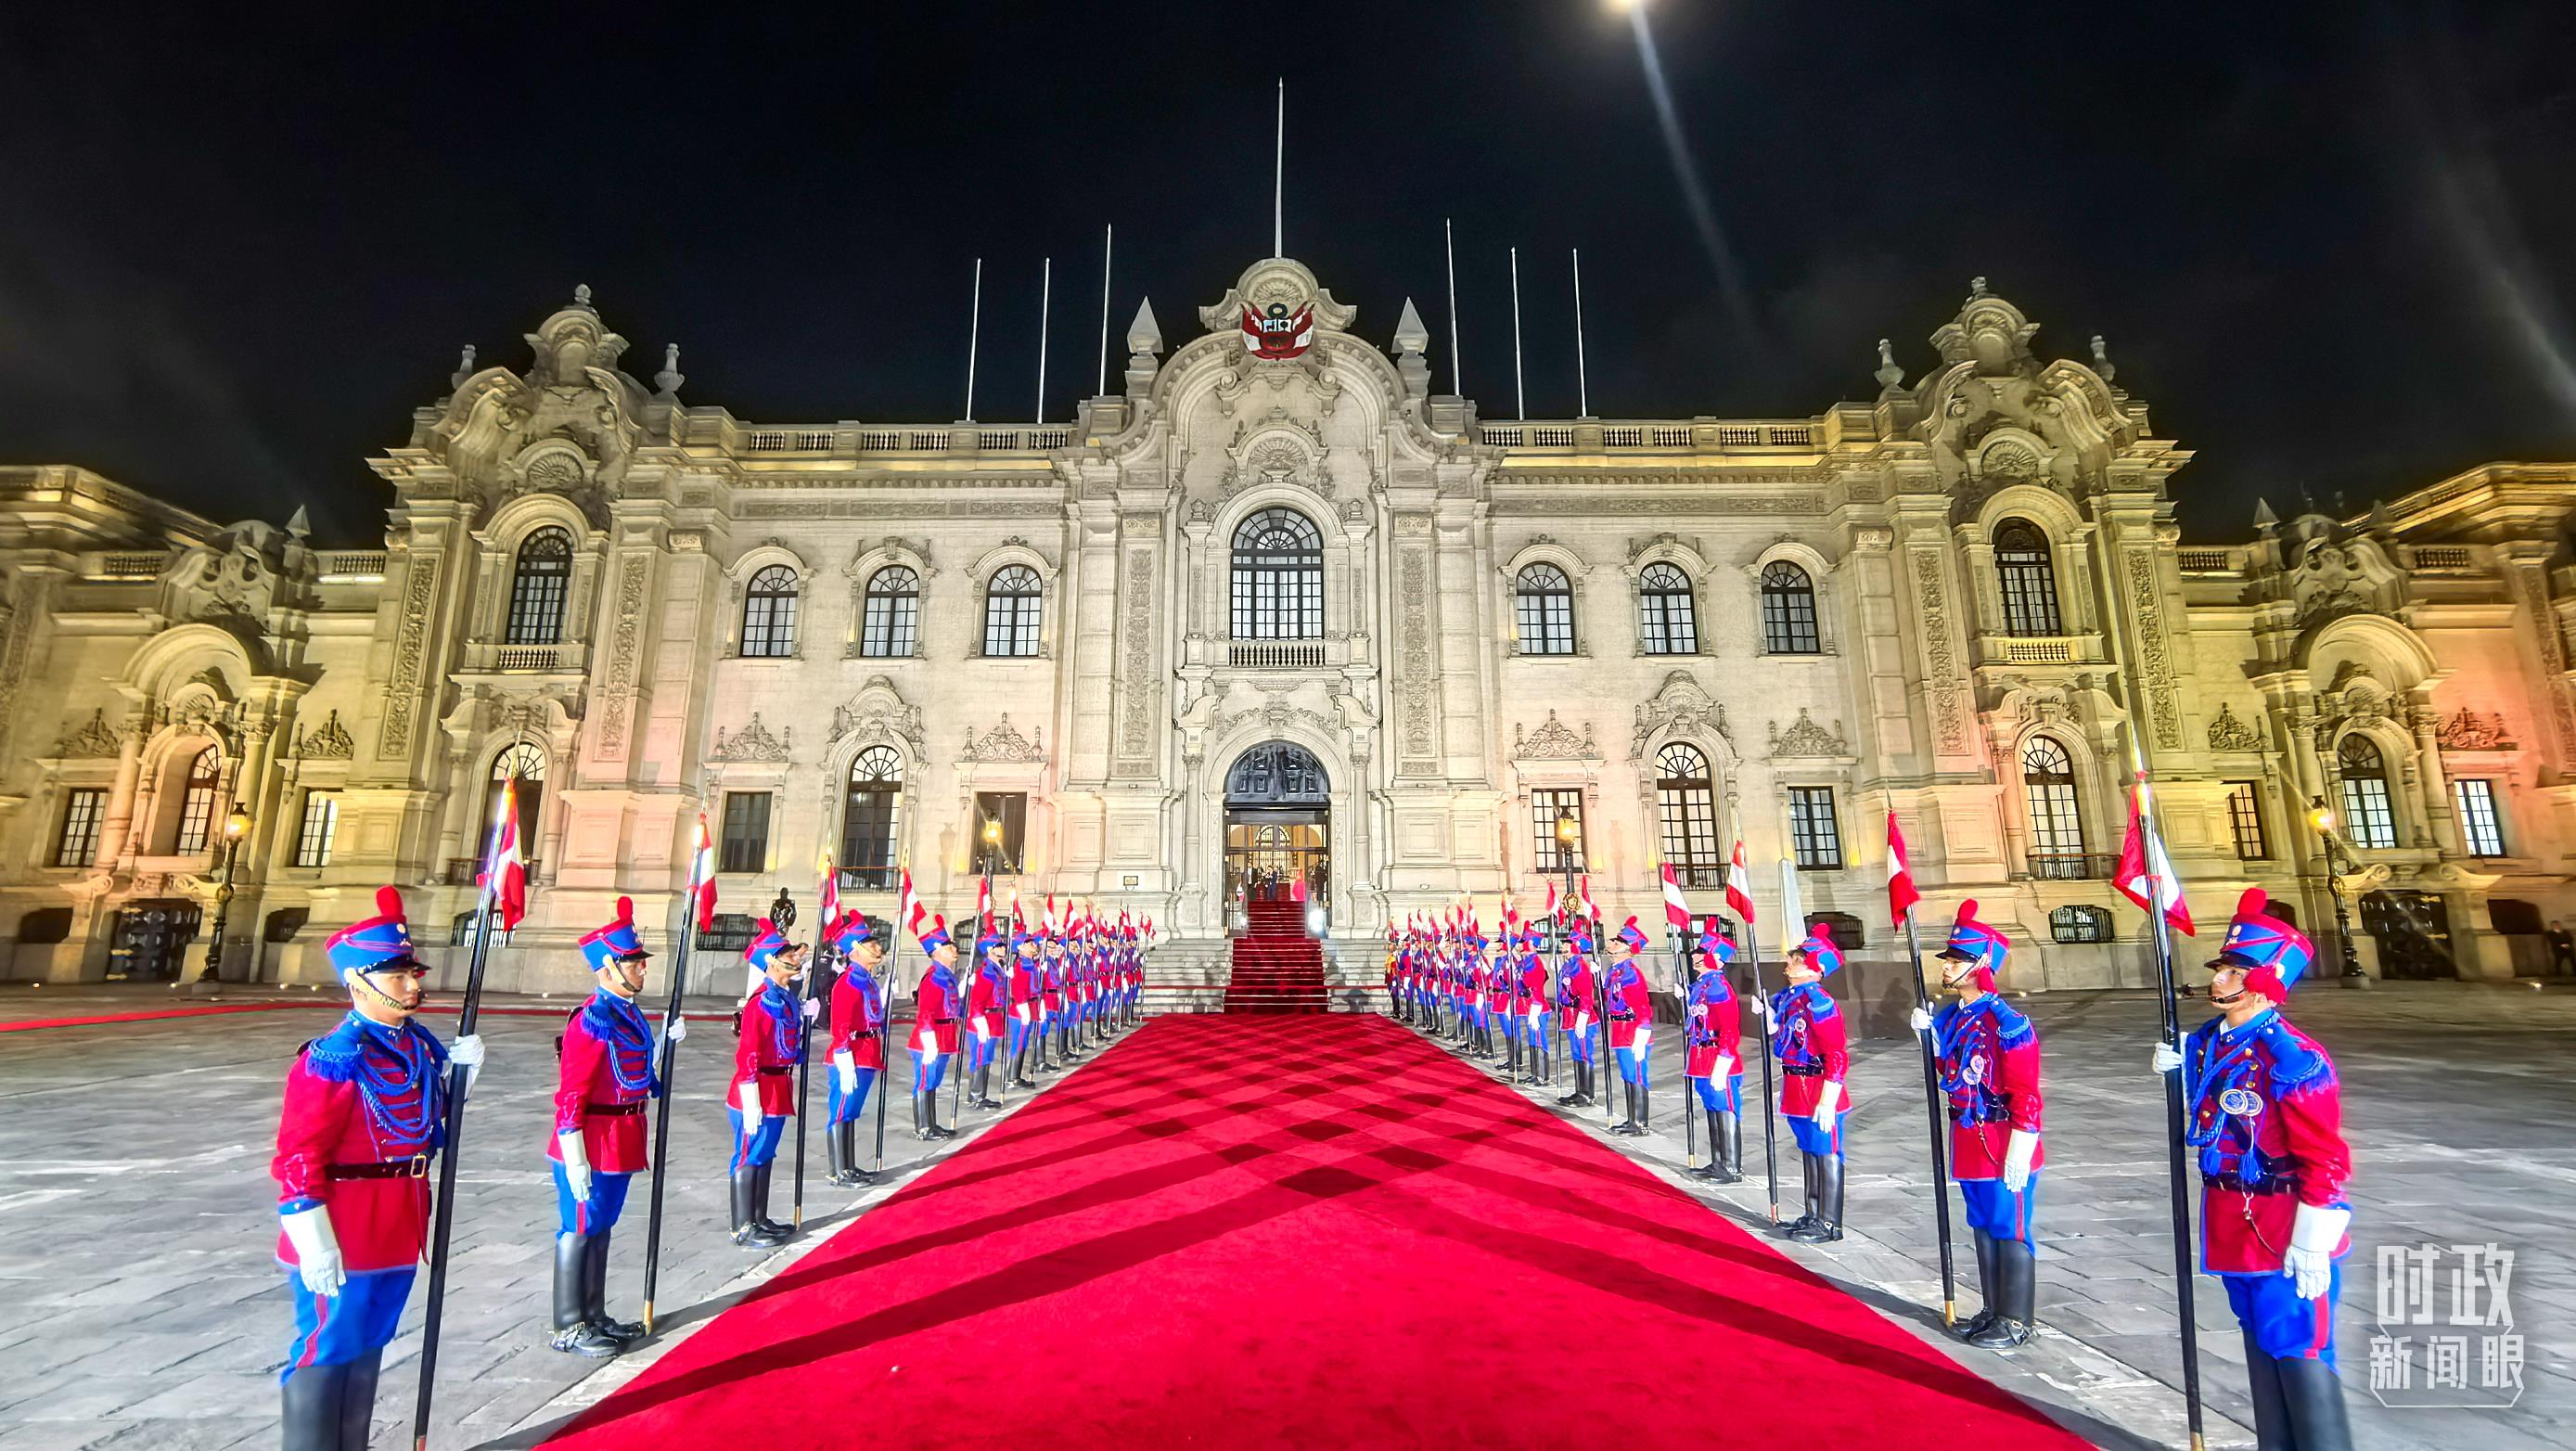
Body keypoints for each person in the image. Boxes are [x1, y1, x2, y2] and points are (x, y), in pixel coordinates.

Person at [270, 886, 486, 1450]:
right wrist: (311, 1239)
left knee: (370, 1345)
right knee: (328, 1346)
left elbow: (427, 1124)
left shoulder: (417, 1048)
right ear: (357, 982)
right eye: (397, 976)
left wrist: (463, 1079)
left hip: (400, 1218)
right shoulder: (332, 1059)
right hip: (344, 1224)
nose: (414, 985)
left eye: (412, 973)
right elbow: (297, 1158)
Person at [2154, 889, 2354, 1450]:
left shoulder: (2294, 1059)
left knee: (2298, 1347)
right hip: (2231, 1215)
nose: (2218, 979)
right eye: (2221, 969)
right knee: (2257, 1339)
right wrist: (2179, 1072)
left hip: (2281, 1221)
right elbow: (2213, 1117)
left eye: (2234, 970)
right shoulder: (2207, 1044)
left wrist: (2315, 1237)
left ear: (2266, 979)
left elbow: (2326, 1158)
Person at [547, 896, 682, 1357]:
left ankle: (594, 1314)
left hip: (622, 1136)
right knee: (579, 1228)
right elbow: (571, 1095)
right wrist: (574, 1156)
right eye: (633, 963)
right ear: (608, 967)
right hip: (591, 1141)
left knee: (601, 1228)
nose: (643, 969)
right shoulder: (593, 1020)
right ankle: (569, 1325)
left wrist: (663, 1044)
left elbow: (631, 1071)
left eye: (641, 962)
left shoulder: (627, 1013)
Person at [1910, 900, 2044, 1350]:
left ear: (1982, 965)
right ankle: (1992, 1310)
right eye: (1948, 960)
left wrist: (2023, 1146)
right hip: (1968, 1135)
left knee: (2010, 1226)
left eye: (1957, 960)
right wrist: (1928, 1040)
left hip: (2004, 1138)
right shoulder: (1954, 1017)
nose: (1947, 967)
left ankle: (2017, 1320)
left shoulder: (2007, 1024)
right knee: (1982, 1223)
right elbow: (1949, 1071)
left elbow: (2025, 1092)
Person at [1758, 924, 1851, 1242]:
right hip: (1796, 1087)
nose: (1789, 964)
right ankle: (1812, 1214)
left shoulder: (1818, 1002)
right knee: (1810, 1151)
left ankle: (1829, 1223)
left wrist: (1828, 1099)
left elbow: (1836, 1054)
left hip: (1818, 1088)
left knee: (1827, 1154)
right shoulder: (1793, 999)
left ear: (1814, 968)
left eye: (1796, 960)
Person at [727, 921, 810, 1248]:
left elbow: (788, 1048)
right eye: (788, 953)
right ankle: (742, 1226)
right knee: (748, 1155)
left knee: (764, 1154)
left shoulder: (787, 998)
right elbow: (748, 1052)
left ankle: (759, 1218)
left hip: (778, 1088)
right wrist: (751, 1097)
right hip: (756, 1090)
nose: (795, 957)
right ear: (772, 961)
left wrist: (807, 1022)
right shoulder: (759, 1002)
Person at [825, 911, 889, 1187]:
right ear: (856, 951)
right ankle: (838, 1170)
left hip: (868, 1051)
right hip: (851, 1052)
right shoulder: (848, 982)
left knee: (852, 1111)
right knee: (842, 1110)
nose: (877, 947)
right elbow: (840, 1022)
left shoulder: (867, 980)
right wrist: (843, 1054)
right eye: (870, 944)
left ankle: (849, 1166)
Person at [1683, 923, 1745, 1183]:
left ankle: (1731, 1166)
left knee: (1725, 1107)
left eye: (1700, 950)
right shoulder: (1703, 985)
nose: (1694, 955)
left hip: (1718, 1056)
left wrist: (1724, 1059)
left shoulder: (1718, 986)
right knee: (1711, 1106)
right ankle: (1718, 1161)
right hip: (1701, 1056)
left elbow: (1729, 1028)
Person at [909, 915, 963, 1140]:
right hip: (929, 1038)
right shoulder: (933, 978)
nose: (954, 949)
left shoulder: (946, 976)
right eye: (949, 946)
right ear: (938, 950)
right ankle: (923, 1127)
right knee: (925, 1081)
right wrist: (929, 1040)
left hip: (945, 1035)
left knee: (933, 1082)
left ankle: (931, 1123)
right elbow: (926, 1013)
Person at [1603, 918, 1655, 1136]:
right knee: (1627, 1074)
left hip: (1633, 1029)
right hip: (1620, 1029)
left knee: (1637, 1075)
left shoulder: (1630, 973)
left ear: (1627, 949)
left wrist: (1643, 1029)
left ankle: (1640, 1122)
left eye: (1617, 942)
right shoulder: (1616, 972)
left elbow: (1642, 1004)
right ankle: (1631, 1118)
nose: (1612, 943)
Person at [1554, 922, 1602, 1109]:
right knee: (1576, 1053)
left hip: (1582, 1017)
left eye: (1567, 943)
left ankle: (1587, 1094)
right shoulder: (1568, 965)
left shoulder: (1580, 967)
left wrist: (1582, 1017)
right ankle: (1579, 1090)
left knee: (1584, 1053)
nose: (1563, 947)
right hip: (1569, 1015)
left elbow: (1586, 994)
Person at [966, 929, 1008, 1110]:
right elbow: (976, 1001)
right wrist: (979, 1021)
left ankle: (980, 1094)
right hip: (984, 1020)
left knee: (987, 1057)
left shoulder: (997, 970)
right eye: (999, 945)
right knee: (980, 1057)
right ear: (990, 950)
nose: (1004, 947)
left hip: (994, 1019)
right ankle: (976, 1096)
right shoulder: (985, 972)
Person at [1007, 925, 1044, 1088]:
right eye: (1030, 944)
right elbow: (1018, 988)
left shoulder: (1029, 963)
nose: (1034, 946)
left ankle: (1016, 1075)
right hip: (1021, 1009)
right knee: (1019, 1041)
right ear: (1021, 947)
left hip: (1031, 1006)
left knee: (1023, 1041)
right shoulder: (1021, 965)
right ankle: (1012, 1077)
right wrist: (1023, 1006)